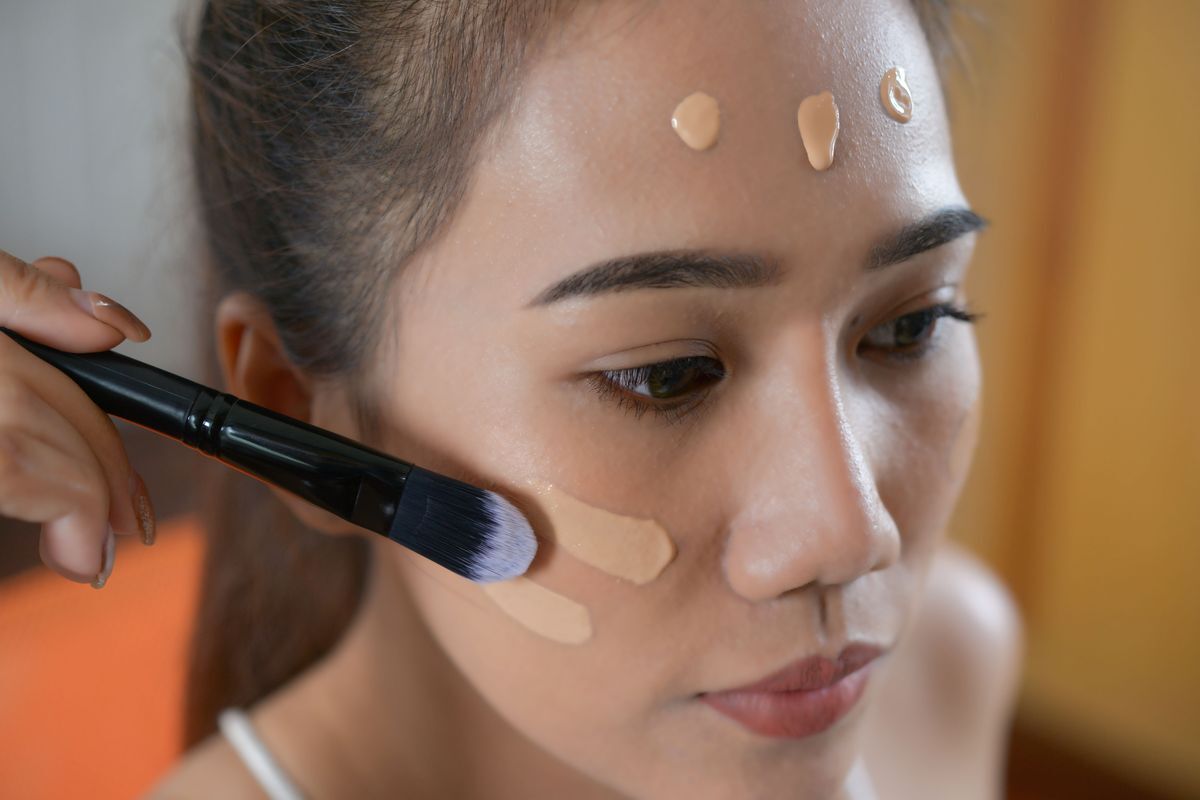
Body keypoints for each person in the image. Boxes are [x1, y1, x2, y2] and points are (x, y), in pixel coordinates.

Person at [1, 0, 1022, 796]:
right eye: (665, 373)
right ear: (298, 405)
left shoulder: (948, 666)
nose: (851, 532)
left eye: (911, 326)